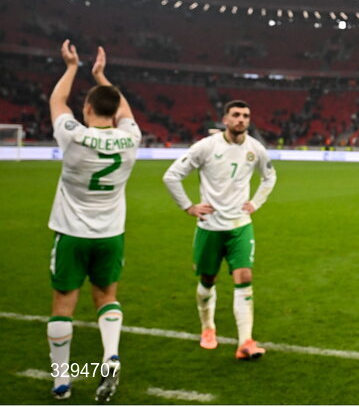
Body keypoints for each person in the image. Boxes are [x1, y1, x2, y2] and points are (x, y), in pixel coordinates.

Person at [46, 41, 141, 402]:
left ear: (86, 108)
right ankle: (110, 356)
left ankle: (62, 380)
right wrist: (102, 76)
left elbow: (57, 103)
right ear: (116, 112)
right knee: (106, 298)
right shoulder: (130, 138)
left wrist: (72, 68)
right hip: (110, 235)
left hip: (71, 234)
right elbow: (125, 113)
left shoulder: (73, 135)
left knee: (63, 305)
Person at [161, 100, 277, 360]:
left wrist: (256, 202)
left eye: (246, 116)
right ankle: (208, 327)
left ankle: (245, 341)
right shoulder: (206, 147)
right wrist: (188, 207)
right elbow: (171, 176)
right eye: (236, 115)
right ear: (225, 119)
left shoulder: (255, 148)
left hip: (240, 226)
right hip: (210, 226)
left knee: (244, 277)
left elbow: (270, 176)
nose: (241, 120)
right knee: (208, 280)